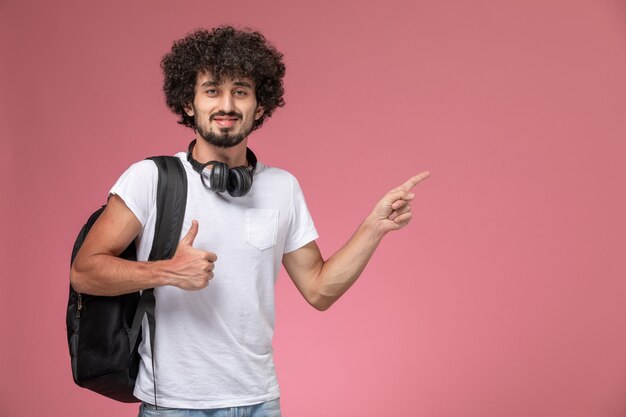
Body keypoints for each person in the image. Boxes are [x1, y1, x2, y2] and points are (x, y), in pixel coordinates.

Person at [70, 26, 429, 417]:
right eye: (212, 91)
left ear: (259, 107)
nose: (226, 104)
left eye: (240, 91)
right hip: (173, 405)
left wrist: (373, 228)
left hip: (259, 401)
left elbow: (319, 290)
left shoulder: (282, 187)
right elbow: (85, 272)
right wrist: (167, 272)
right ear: (188, 104)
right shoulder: (150, 179)